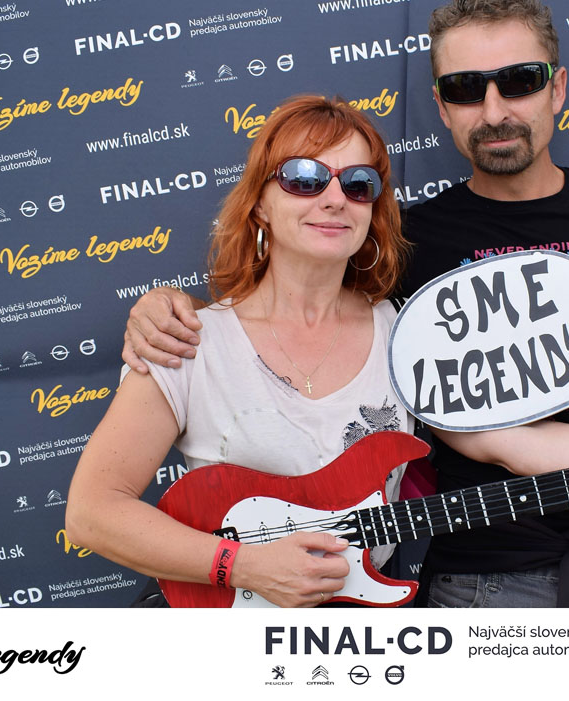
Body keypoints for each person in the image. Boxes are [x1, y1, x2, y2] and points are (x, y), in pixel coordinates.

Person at [122, 0, 569, 607]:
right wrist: (161, 309)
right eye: (466, 89)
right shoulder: (398, 251)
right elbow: (297, 297)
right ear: (442, 107)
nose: (495, 111)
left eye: (520, 81)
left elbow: (533, 437)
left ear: (558, 88)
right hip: (483, 573)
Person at [65, 95, 412, 607]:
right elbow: (92, 513)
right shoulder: (187, 340)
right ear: (259, 205)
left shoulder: (405, 333)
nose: (335, 199)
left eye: (358, 184)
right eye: (304, 178)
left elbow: (496, 442)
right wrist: (244, 566)